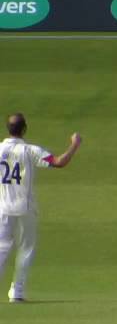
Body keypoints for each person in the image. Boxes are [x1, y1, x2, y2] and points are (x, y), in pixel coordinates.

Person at [0, 113, 82, 302]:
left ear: (8, 129)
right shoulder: (30, 151)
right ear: (24, 129)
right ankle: (17, 292)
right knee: (26, 248)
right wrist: (74, 144)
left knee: (1, 249)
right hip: (25, 208)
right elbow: (59, 162)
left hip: (3, 208)